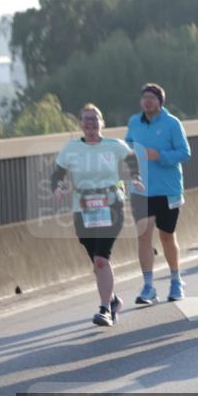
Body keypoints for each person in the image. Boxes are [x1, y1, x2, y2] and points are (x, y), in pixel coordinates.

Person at [52, 104, 141, 326]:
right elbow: (57, 174)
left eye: (94, 119)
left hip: (111, 206)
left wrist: (136, 176)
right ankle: (113, 300)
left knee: (101, 259)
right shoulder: (71, 148)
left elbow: (132, 158)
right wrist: (58, 187)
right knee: (97, 261)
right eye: (86, 119)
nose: (90, 123)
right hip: (83, 209)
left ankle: (105, 310)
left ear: (102, 122)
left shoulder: (114, 146)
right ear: (80, 124)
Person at [126, 83, 192, 303]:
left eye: (152, 98)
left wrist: (160, 156)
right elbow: (127, 146)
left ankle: (175, 280)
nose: (147, 101)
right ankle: (148, 286)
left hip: (167, 189)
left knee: (166, 236)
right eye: (144, 97)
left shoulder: (172, 124)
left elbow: (185, 152)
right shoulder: (134, 122)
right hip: (141, 190)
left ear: (160, 102)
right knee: (144, 236)